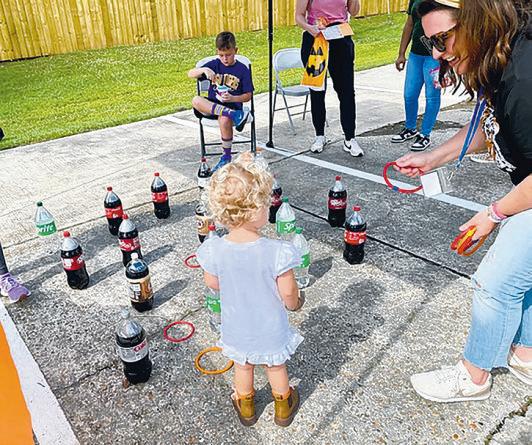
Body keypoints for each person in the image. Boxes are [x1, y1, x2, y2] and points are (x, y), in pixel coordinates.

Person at [394, 0, 532, 402]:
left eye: (442, 39)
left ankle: (474, 376)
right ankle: (526, 353)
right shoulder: (500, 54)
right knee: (523, 274)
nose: (438, 53)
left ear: (477, 20)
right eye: (430, 43)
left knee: (495, 281)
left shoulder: (523, 78)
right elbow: (490, 127)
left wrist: (494, 214)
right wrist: (431, 158)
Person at [196, 152, 304, 426]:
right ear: (256, 210)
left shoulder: (214, 250)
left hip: (237, 325)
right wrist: (296, 303)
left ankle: (245, 405)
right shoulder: (277, 252)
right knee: (275, 365)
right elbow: (288, 293)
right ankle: (283, 405)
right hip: (270, 327)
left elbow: (212, 283)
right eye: (266, 202)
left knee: (243, 365)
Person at [295, 0, 364, 157]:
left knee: (346, 91)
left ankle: (350, 138)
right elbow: (298, 16)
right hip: (316, 39)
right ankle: (319, 136)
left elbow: (353, 12)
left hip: (340, 37)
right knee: (317, 90)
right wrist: (309, 28)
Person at [189, 31, 254, 172]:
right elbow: (190, 74)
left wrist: (233, 98)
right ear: (217, 53)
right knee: (196, 100)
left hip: (232, 104)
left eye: (228, 55)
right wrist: (205, 70)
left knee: (224, 119)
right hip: (212, 106)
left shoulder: (242, 69)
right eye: (221, 55)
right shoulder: (214, 65)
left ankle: (226, 157)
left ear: (236, 50)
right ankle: (234, 115)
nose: (225, 58)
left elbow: (248, 95)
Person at [392, 0, 443, 151]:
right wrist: (401, 53)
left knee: (432, 96)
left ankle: (425, 134)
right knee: (409, 94)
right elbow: (409, 24)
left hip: (435, 57)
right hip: (416, 55)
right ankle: (410, 128)